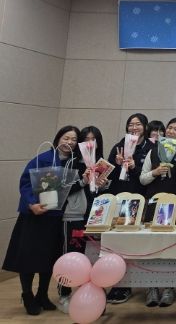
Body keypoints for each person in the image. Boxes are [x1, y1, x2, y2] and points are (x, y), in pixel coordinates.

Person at [3, 126, 81, 315]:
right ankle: (27, 295)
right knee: (28, 257)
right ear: (57, 139)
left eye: (73, 139)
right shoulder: (42, 158)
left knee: (49, 258)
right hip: (34, 216)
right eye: (66, 138)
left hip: (55, 218)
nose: (69, 142)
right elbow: (25, 183)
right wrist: (32, 204)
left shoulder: (73, 163)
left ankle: (42, 294)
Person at [140, 117, 176, 308]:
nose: (171, 131)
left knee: (173, 245)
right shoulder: (153, 150)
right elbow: (142, 179)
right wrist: (154, 173)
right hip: (154, 202)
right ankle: (151, 287)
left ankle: (170, 287)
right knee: (152, 245)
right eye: (169, 128)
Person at [105, 113, 154, 304]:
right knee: (119, 244)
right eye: (131, 124)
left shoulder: (150, 148)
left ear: (145, 127)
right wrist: (117, 165)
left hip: (140, 201)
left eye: (138, 124)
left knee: (138, 244)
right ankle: (119, 284)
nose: (134, 128)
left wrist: (134, 166)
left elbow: (149, 177)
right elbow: (108, 174)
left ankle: (143, 283)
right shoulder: (119, 146)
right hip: (120, 199)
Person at [58, 126, 108, 312]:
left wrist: (103, 184)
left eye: (93, 140)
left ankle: (91, 296)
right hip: (73, 216)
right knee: (71, 256)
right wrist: (83, 180)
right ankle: (64, 294)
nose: (89, 143)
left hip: (94, 218)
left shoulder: (101, 163)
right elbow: (62, 190)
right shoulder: (71, 162)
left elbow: (99, 193)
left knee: (92, 258)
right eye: (86, 139)